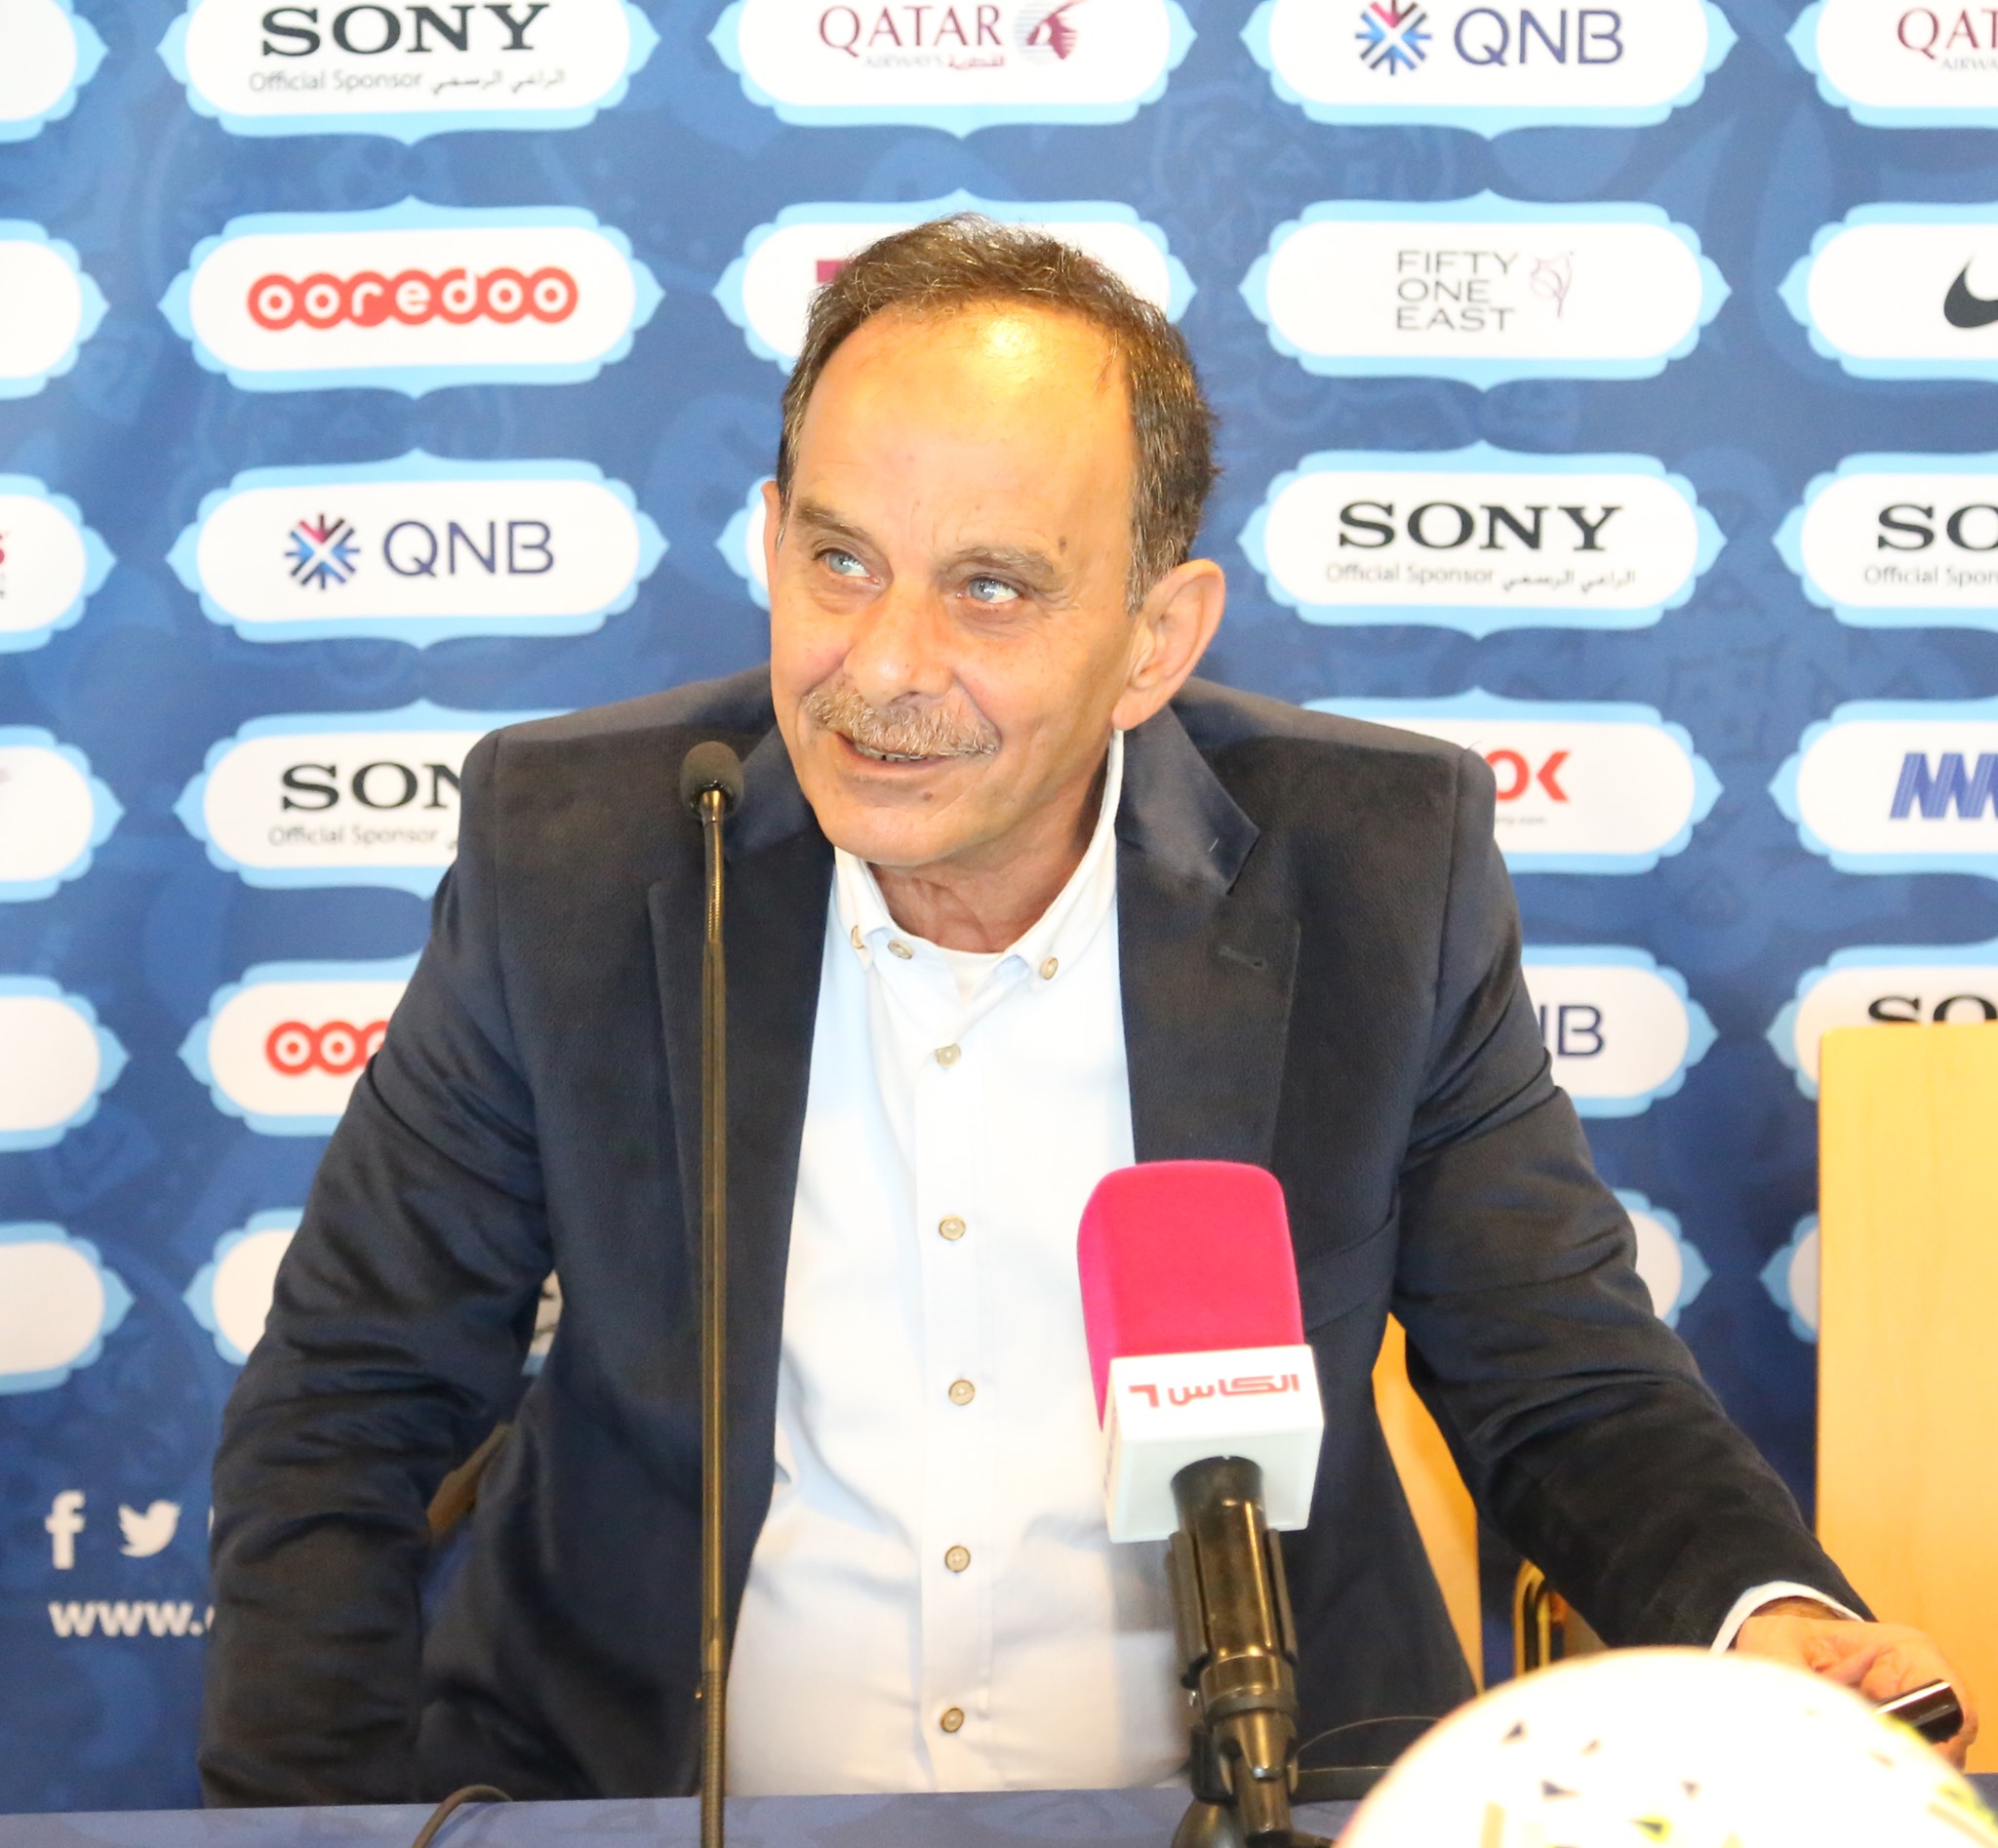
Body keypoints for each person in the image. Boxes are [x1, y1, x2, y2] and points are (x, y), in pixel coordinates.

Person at [198, 218, 1977, 1806]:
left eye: (991, 587)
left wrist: (1769, 1617)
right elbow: (350, 1398)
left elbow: (1560, 1377)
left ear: (1156, 638)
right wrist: (307, 1825)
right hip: (659, 1805)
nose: (884, 664)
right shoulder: (580, 853)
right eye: (839, 560)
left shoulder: (1378, 872)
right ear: (767, 538)